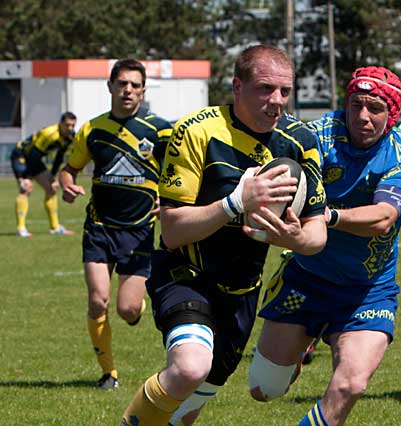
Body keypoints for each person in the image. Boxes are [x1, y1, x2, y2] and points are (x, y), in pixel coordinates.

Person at [120, 45, 327, 426]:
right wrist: (235, 202)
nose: (276, 101)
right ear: (237, 86)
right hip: (187, 274)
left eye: (285, 91)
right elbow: (171, 231)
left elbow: (317, 236)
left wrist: (293, 237)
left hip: (243, 289)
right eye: (265, 89)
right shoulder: (197, 130)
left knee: (184, 413)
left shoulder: (300, 141)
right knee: (189, 367)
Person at [248, 66, 401, 426]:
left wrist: (329, 217)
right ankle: (301, 346)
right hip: (307, 278)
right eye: (356, 104)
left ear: (392, 114)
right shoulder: (318, 135)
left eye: (375, 108)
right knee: (263, 389)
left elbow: (383, 218)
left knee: (351, 385)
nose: (362, 116)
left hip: (366, 291)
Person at [59, 58, 173, 390]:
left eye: (135, 85)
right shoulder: (92, 129)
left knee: (127, 310)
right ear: (110, 86)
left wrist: (167, 198)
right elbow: (71, 168)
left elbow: (179, 173)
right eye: (122, 83)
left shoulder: (160, 130)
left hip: (138, 232)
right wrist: (67, 184)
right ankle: (109, 372)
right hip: (99, 227)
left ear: (143, 90)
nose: (128, 90)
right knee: (98, 301)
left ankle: (135, 309)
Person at [11, 112, 77, 237]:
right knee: (26, 188)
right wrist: (26, 178)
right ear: (61, 124)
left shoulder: (70, 137)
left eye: (72, 126)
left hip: (34, 158)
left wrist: (52, 176)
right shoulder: (50, 134)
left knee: (52, 188)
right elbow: (33, 157)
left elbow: (59, 156)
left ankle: (55, 227)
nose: (70, 128)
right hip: (21, 155)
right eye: (67, 125)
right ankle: (21, 229)